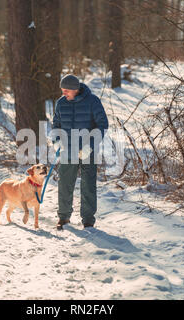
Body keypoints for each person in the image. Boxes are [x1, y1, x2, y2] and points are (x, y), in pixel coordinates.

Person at [52, 74, 109, 230]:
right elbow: (56, 124)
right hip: (67, 151)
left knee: (88, 185)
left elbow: (102, 125)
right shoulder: (61, 103)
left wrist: (89, 146)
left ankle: (88, 220)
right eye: (62, 90)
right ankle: (63, 218)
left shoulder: (93, 101)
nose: (63, 93)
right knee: (64, 184)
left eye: (66, 90)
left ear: (75, 89)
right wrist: (56, 141)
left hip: (88, 151)